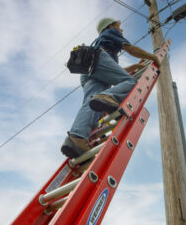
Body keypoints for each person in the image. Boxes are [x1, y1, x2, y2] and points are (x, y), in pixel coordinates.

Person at [61, 17, 161, 159]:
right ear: (111, 26)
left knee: (91, 101)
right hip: (98, 60)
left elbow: (109, 70)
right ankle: (109, 96)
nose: (121, 29)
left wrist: (133, 67)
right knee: (132, 83)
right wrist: (153, 57)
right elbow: (130, 49)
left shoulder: (103, 41)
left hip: (88, 70)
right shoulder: (111, 32)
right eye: (119, 26)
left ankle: (77, 137)